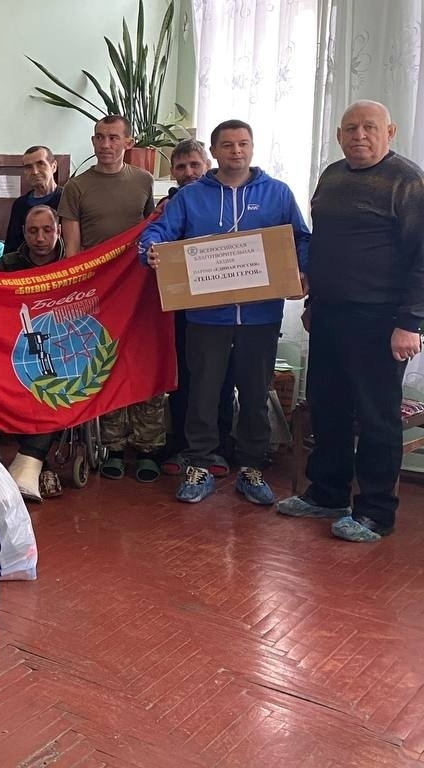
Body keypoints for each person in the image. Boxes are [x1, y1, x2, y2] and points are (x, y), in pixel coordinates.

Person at [141, 119, 310, 506]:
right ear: (213, 152)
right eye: (228, 145)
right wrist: (149, 251)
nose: (236, 151)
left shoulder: (277, 193)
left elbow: (300, 237)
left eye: (243, 144)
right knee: (202, 392)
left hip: (261, 316)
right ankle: (198, 463)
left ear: (252, 147)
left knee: (254, 393)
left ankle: (251, 467)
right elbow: (158, 233)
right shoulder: (190, 197)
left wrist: (302, 270)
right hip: (206, 316)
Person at [277, 101, 424, 542]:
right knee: (328, 407)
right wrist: (313, 302)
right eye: (350, 128)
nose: (359, 135)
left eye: (369, 127)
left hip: (380, 321)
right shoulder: (332, 175)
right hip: (328, 314)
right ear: (339, 136)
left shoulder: (408, 181)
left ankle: (376, 512)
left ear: (390, 131)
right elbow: (325, 245)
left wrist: (411, 323)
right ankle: (327, 493)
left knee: (377, 417)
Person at [59, 114, 162, 481]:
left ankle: (148, 447)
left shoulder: (144, 181)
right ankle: (113, 445)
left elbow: (155, 231)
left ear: (128, 143)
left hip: (139, 289)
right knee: (106, 364)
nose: (106, 145)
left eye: (114, 138)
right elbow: (71, 251)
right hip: (97, 292)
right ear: (92, 142)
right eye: (100, 138)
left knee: (145, 362)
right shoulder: (76, 187)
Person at [155, 138, 233, 476]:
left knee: (222, 377)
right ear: (172, 172)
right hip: (181, 308)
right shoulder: (166, 206)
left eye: (195, 165)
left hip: (224, 308)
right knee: (183, 374)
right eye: (181, 167)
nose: (188, 173)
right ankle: (182, 444)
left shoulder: (227, 200)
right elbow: (154, 239)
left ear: (208, 165)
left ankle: (222, 447)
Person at [0, 205, 67, 501]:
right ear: (24, 233)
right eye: (33, 231)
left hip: (64, 350)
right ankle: (37, 462)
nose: (40, 237)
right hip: (13, 347)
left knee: (59, 380)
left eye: (47, 230)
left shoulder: (73, 262)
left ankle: (31, 457)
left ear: (58, 231)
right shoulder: (7, 264)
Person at [5, 146, 62, 252]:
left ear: (53, 166)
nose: (35, 171)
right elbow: (11, 246)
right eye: (28, 167)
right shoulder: (20, 205)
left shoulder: (67, 198)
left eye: (41, 164)